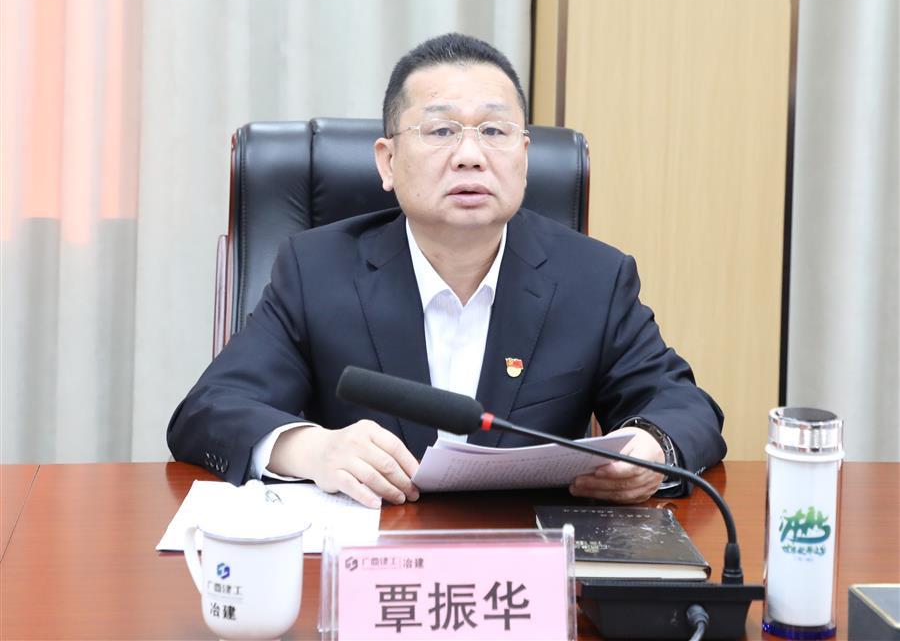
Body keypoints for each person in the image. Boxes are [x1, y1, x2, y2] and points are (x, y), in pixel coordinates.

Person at [167, 33, 726, 509]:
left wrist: (650, 448)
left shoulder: (593, 278)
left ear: (524, 158)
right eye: (440, 132)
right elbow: (210, 409)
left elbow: (684, 407)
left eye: (495, 131)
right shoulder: (317, 271)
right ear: (388, 161)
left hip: (527, 563)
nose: (470, 155)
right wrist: (311, 449)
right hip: (376, 556)